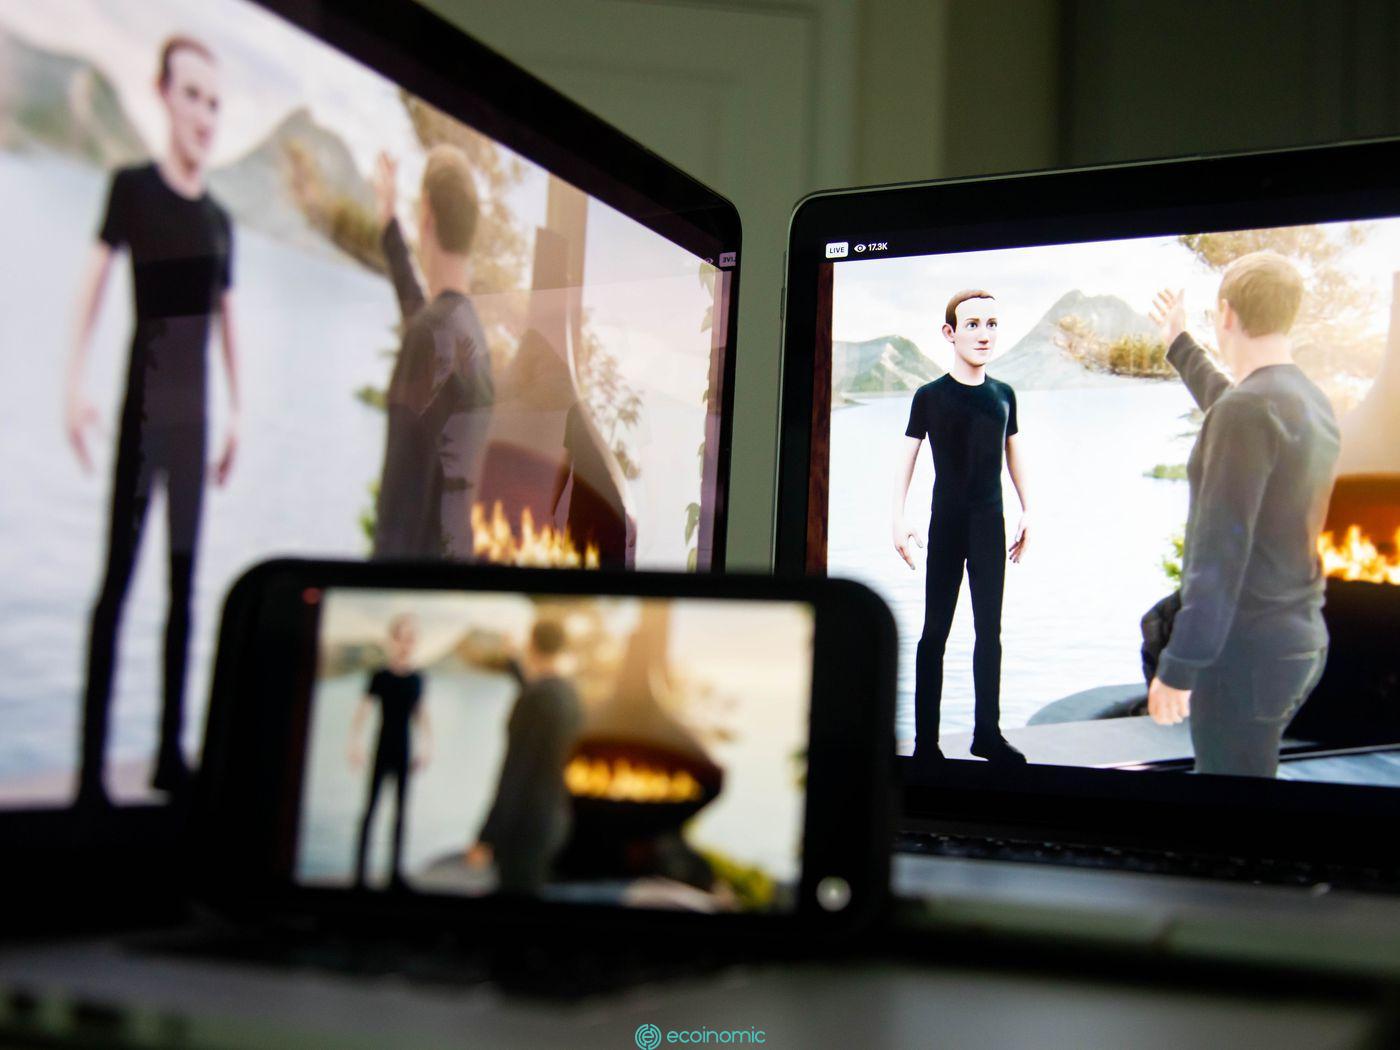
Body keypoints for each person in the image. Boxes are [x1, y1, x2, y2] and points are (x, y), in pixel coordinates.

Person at [66, 36, 240, 804]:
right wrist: (73, 386)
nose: (204, 114)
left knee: (184, 590)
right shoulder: (132, 189)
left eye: (215, 102)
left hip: (195, 424)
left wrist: (240, 413)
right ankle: (91, 774)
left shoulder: (220, 221)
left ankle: (170, 756)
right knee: (116, 588)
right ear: (164, 94)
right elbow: (91, 289)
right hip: (140, 417)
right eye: (192, 94)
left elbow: (228, 321)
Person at [1146, 252, 1340, 777]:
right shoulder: (1306, 399)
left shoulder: (1245, 412)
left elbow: (1218, 557)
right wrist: (1179, 343)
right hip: (1299, 641)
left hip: (1245, 654)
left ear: (1227, 314)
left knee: (1231, 799)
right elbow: (1230, 403)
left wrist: (1179, 667)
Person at [893, 290, 1031, 765]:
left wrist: (1029, 510)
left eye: (991, 324)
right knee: (935, 631)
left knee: (989, 631)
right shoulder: (929, 396)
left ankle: (986, 734)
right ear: (950, 333)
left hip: (990, 524)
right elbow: (907, 457)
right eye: (972, 325)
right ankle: (925, 745)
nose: (983, 334)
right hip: (947, 525)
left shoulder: (1004, 395)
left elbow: (1014, 453)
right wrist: (898, 518)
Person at [370, 147, 494, 559]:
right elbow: (421, 314)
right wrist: (389, 224)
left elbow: (396, 519)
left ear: (426, 213)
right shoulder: (471, 337)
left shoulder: (430, 336)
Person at [466, 618, 583, 894]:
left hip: (524, 828)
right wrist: (513, 661)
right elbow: (537, 694)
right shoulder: (570, 695)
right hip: (555, 821)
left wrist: (487, 836)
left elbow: (515, 772)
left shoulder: (534, 699)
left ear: (532, 645)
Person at [348, 613, 433, 888]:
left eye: (411, 639)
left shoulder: (417, 678)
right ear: (392, 640)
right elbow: (363, 712)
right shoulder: (380, 676)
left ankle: (395, 874)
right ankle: (359, 875)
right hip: (382, 746)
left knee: (401, 812)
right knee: (370, 809)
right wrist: (355, 745)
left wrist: (427, 747)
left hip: (404, 748)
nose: (406, 644)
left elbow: (421, 715)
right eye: (401, 638)